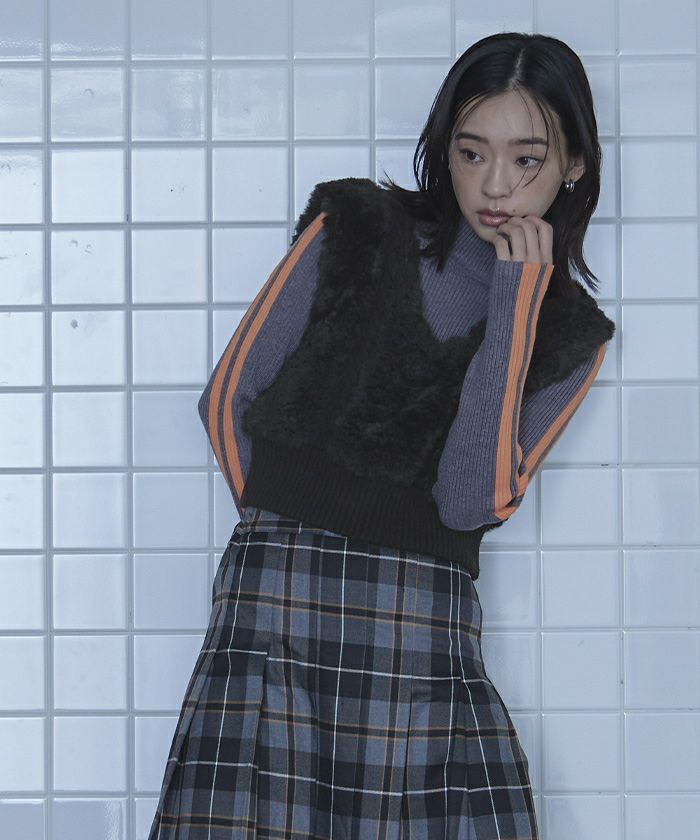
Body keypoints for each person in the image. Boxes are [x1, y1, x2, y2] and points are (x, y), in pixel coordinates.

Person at [148, 31, 615, 840]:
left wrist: (517, 302)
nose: (494, 184)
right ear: (444, 148)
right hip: (278, 599)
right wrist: (292, 527)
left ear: (573, 164)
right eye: (471, 153)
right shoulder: (357, 227)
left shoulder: (570, 334)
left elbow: (468, 502)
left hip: (420, 624)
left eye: (526, 160)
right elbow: (227, 401)